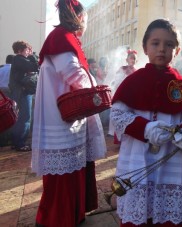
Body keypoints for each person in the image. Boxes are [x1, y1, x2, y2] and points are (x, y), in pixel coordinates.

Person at [111, 18, 182, 227]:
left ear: (177, 50)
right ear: (145, 47)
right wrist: (144, 129)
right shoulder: (133, 81)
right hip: (137, 156)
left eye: (169, 44)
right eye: (155, 43)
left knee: (170, 213)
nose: (162, 49)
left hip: (173, 161)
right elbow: (117, 115)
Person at [31, 0, 107, 226]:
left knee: (72, 168)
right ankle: (57, 219)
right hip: (62, 117)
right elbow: (73, 74)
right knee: (64, 174)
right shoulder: (62, 38)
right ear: (79, 17)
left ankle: (71, 215)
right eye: (85, 19)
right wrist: (94, 87)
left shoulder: (63, 38)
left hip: (67, 114)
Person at [9, 41, 39, 152]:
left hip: (21, 91)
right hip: (23, 92)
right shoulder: (19, 59)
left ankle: (16, 142)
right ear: (19, 50)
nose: (29, 52)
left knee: (21, 118)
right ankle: (20, 144)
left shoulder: (18, 60)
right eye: (27, 50)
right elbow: (36, 66)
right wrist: (33, 56)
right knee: (25, 117)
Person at [111, 49, 138, 144]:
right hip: (123, 95)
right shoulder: (122, 69)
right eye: (131, 58)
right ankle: (119, 139)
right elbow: (117, 82)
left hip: (133, 97)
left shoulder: (137, 71)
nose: (132, 60)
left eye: (134, 58)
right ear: (127, 59)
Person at [0, 55, 14, 147]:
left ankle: (2, 139)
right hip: (9, 92)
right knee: (10, 116)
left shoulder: (1, 68)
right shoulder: (12, 69)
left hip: (1, 93)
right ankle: (8, 138)